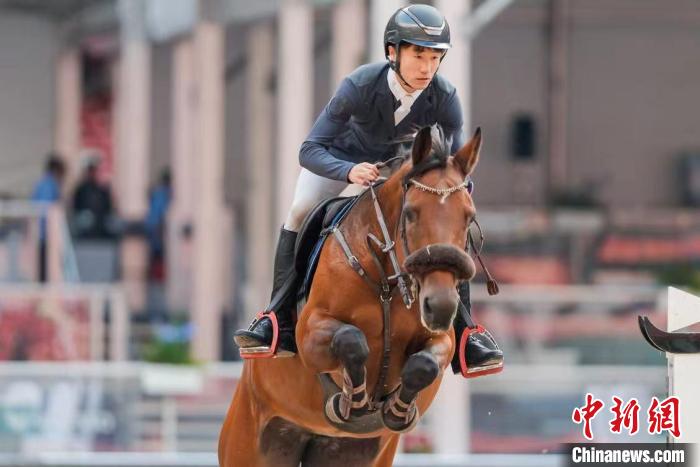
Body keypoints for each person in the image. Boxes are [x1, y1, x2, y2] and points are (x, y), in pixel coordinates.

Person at [234, 4, 503, 377]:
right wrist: (348, 171)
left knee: (455, 226)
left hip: (403, 170)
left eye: (434, 57)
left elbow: (455, 167)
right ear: (392, 52)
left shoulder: (445, 97)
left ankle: (466, 334)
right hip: (341, 161)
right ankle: (276, 318)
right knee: (299, 210)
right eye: (418, 55)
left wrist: (455, 197)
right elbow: (309, 149)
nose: (427, 68)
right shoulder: (360, 86)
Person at [31, 154, 66, 282]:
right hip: (47, 235)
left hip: (40, 235)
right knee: (46, 273)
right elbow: (48, 210)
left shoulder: (40, 184)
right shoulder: (49, 185)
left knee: (42, 272)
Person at [72, 156, 114, 239]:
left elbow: (107, 207)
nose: (92, 173)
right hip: (84, 226)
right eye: (90, 170)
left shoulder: (102, 190)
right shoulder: (81, 189)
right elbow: (76, 207)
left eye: (94, 170)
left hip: (100, 225)